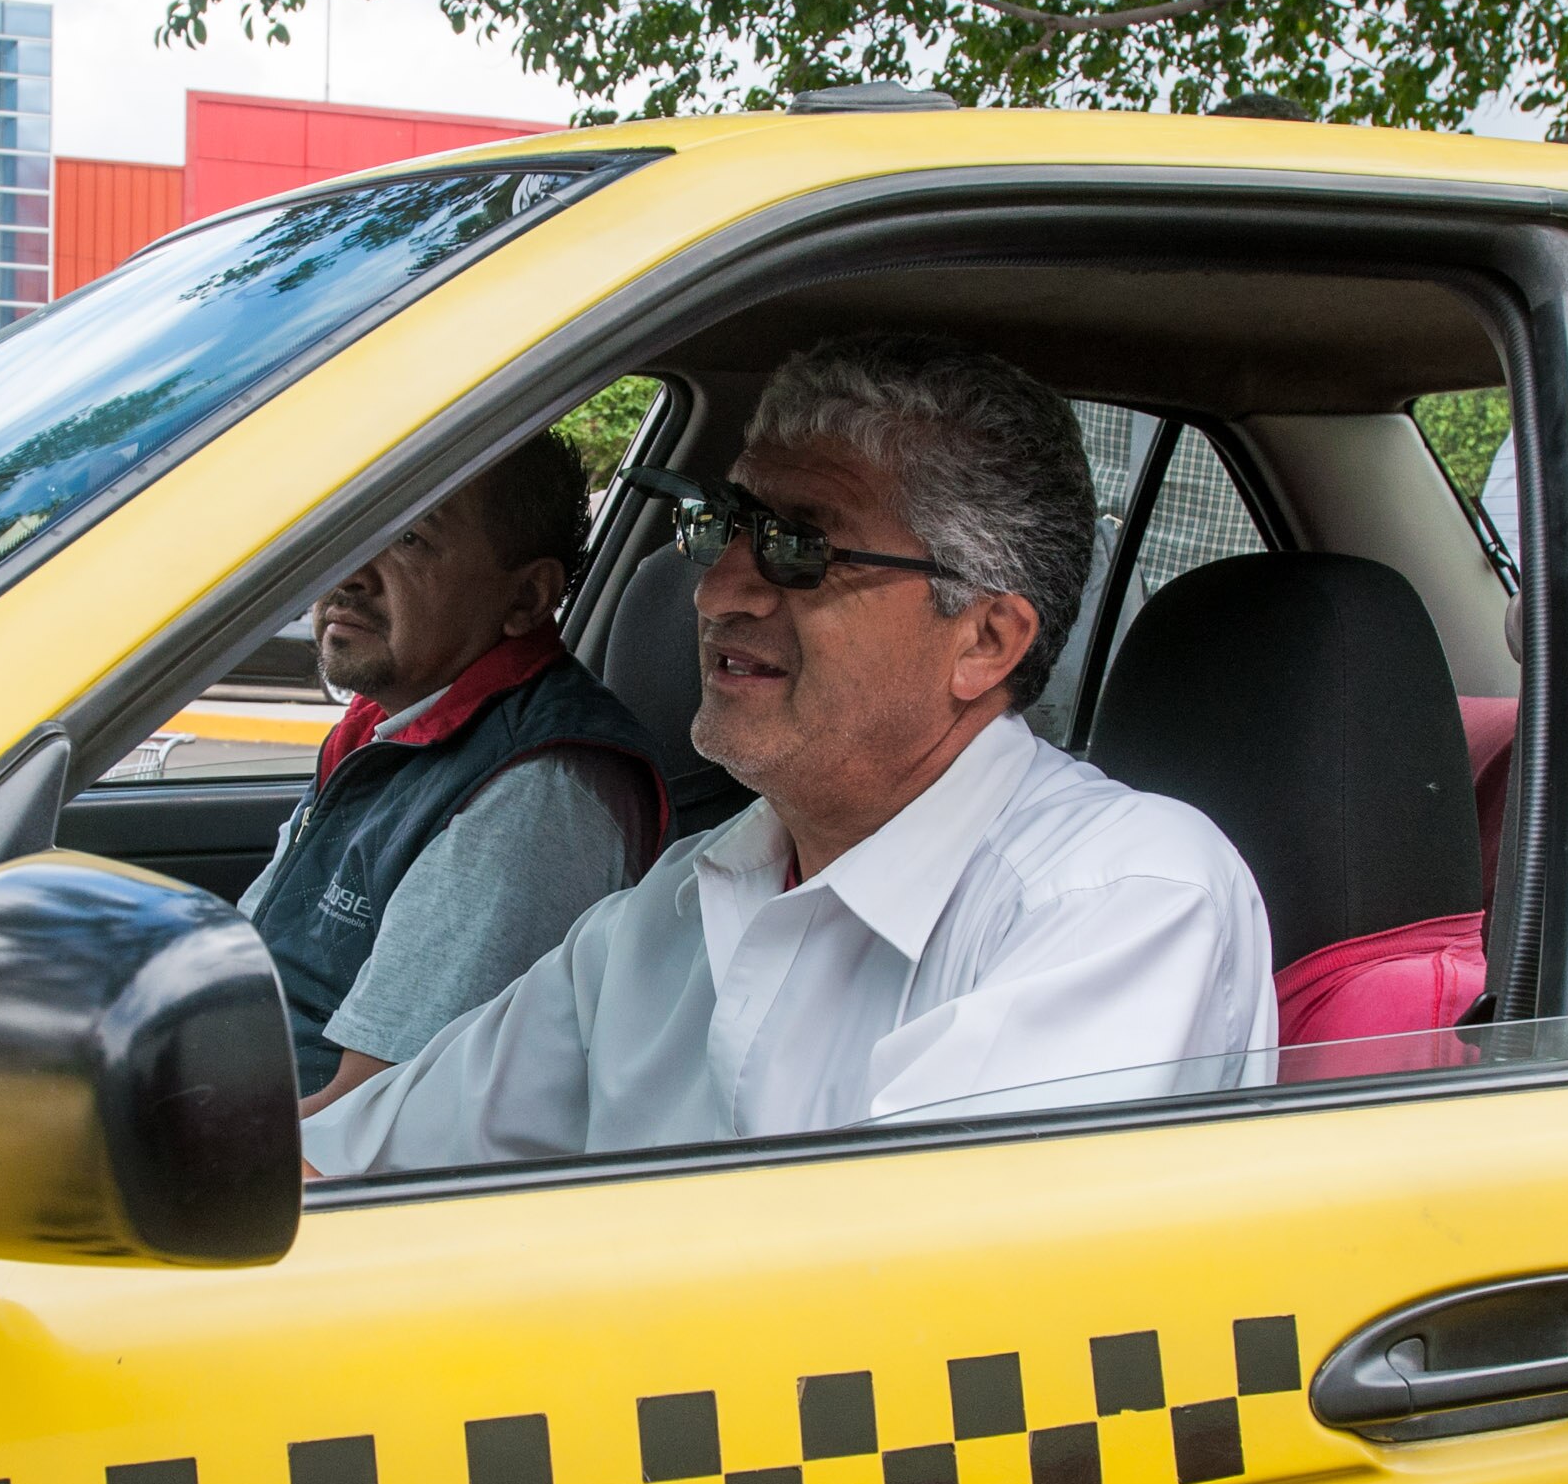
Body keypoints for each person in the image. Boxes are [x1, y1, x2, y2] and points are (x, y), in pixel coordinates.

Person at [305, 332, 1275, 1176]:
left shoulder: (1118, 901)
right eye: (728, 528)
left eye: (801, 547)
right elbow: (360, 1158)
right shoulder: (676, 905)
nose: (715, 592)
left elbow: (913, 1306)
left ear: (984, 641)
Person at [241, 431, 667, 1113]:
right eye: (350, 525)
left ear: (525, 598)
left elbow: (370, 1119)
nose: (350, 572)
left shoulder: (533, 792)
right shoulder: (385, 723)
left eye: (409, 538)